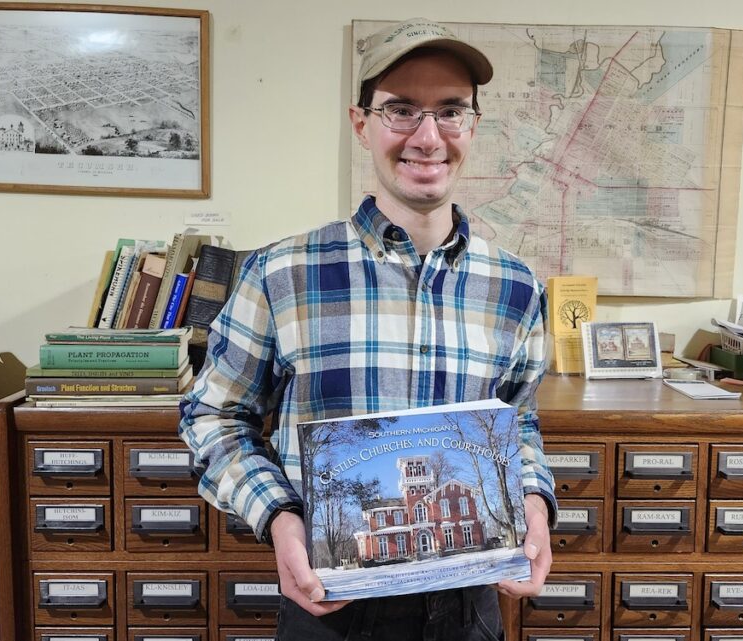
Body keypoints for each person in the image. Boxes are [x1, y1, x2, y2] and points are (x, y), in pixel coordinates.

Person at [179, 17, 557, 641]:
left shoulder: (515, 286)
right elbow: (213, 417)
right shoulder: (282, 273)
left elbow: (518, 422)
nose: (427, 136)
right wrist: (278, 518)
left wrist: (536, 504)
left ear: (474, 126)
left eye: (450, 111)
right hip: (333, 610)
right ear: (362, 123)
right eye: (401, 110)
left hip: (469, 610)